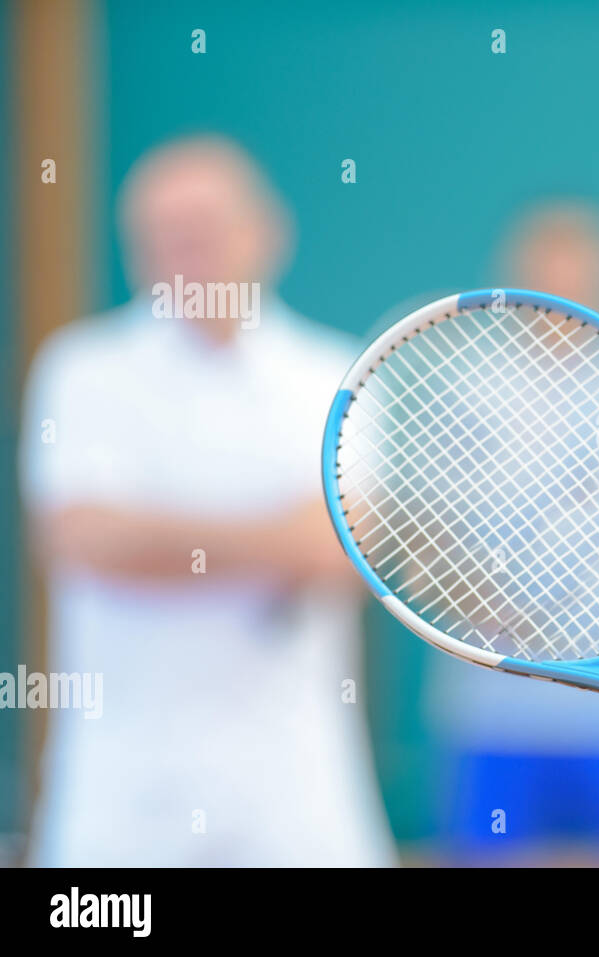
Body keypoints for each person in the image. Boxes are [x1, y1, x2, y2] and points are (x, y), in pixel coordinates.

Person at [19, 135, 397, 866]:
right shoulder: (80, 370)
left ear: (266, 233)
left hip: (302, 801)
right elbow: (82, 539)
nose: (186, 254)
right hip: (119, 810)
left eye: (205, 231)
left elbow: (344, 551)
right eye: (165, 237)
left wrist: (164, 536)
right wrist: (281, 534)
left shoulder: (335, 375)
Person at [427, 199, 599, 864]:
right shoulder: (462, 390)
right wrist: (479, 602)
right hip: (494, 716)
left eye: (580, 267)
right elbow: (422, 540)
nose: (564, 286)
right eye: (547, 267)